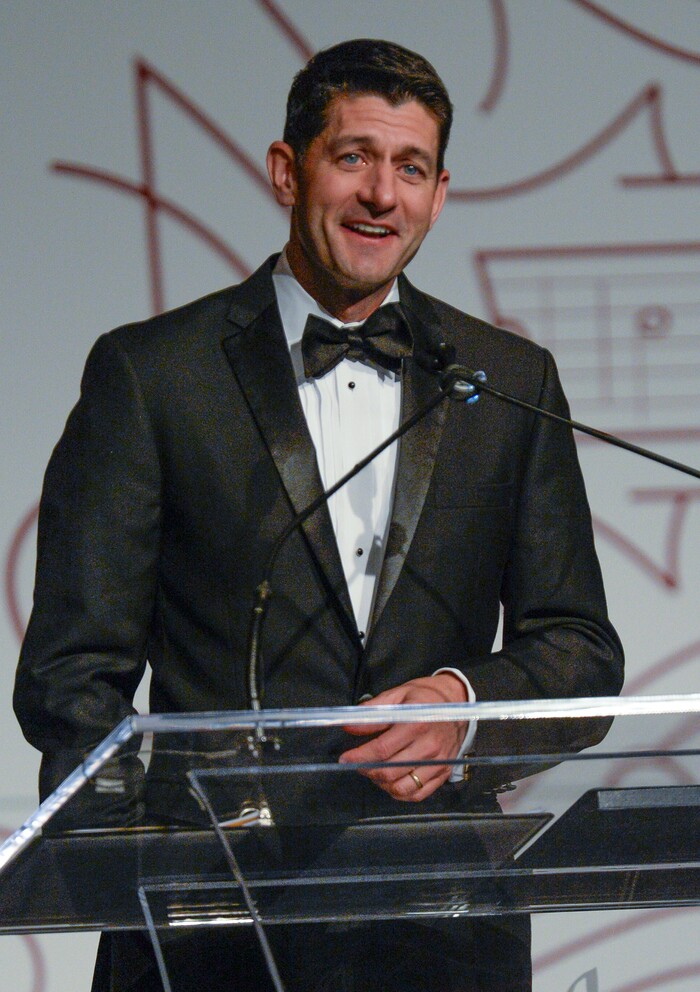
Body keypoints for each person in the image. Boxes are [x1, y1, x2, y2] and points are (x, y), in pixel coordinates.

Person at [14, 38, 623, 992]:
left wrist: (465, 707)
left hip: (443, 933)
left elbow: (579, 650)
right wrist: (167, 849)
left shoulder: (506, 381)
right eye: (354, 159)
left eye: (410, 168)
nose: (383, 195)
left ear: (440, 192)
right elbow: (69, 682)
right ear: (286, 170)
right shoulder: (153, 375)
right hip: (210, 932)